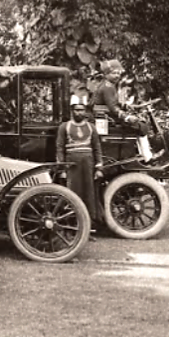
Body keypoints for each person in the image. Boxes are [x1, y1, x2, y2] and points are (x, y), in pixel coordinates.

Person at [56, 94, 103, 238]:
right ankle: (71, 229)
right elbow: (59, 148)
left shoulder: (91, 128)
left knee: (89, 196)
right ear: (72, 111)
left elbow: (97, 148)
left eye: (82, 110)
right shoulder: (64, 127)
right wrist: (62, 169)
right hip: (72, 168)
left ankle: (87, 230)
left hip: (88, 167)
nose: (79, 112)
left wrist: (99, 168)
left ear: (85, 111)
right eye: (76, 110)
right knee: (72, 196)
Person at [92, 59, 155, 162]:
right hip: (109, 119)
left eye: (118, 73)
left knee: (139, 124)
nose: (117, 76)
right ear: (106, 74)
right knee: (142, 126)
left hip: (108, 117)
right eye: (114, 73)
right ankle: (147, 157)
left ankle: (142, 154)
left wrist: (127, 106)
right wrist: (127, 117)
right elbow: (113, 108)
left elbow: (112, 103)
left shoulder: (106, 85)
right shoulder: (108, 87)